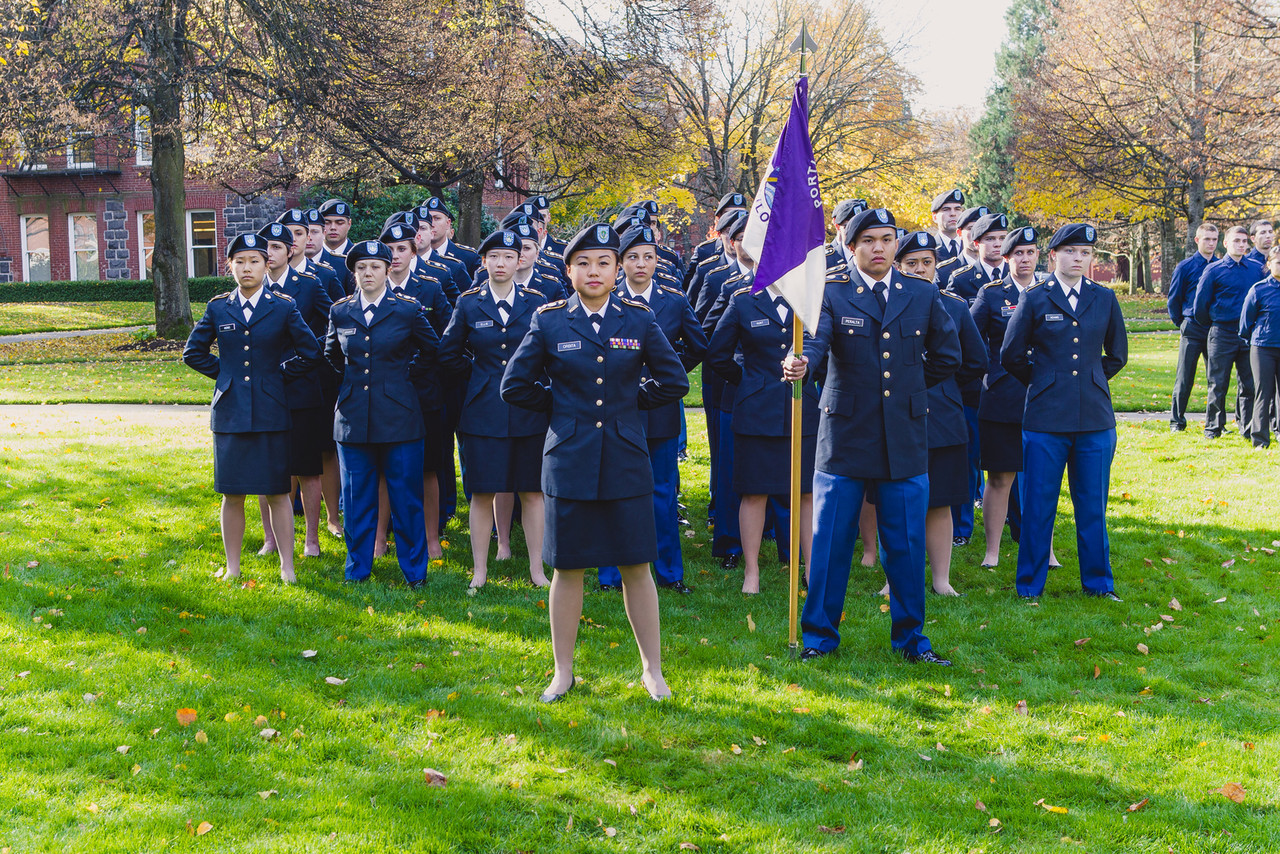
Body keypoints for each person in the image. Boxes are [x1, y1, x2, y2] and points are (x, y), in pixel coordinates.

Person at [501, 223, 689, 703]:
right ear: (568, 271)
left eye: (604, 262)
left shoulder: (639, 319)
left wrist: (630, 403)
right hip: (569, 459)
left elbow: (674, 381)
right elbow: (514, 386)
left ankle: (653, 670)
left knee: (636, 566)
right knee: (568, 568)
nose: (594, 270)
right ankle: (563, 671)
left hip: (627, 458)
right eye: (583, 262)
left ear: (617, 268)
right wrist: (563, 407)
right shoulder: (548, 322)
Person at [784, 207, 961, 665]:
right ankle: (819, 638)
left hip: (903, 436)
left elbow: (947, 355)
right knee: (829, 543)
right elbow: (815, 346)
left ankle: (911, 641)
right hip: (845, 435)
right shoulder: (832, 292)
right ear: (851, 246)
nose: (879, 248)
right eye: (869, 241)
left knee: (905, 545)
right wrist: (801, 364)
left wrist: (907, 389)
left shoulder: (919, 294)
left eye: (887, 239)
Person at [183, 232, 320, 583]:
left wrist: (277, 375)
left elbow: (310, 352)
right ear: (230, 267)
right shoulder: (218, 307)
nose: (247, 268)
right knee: (232, 493)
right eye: (240, 262)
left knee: (276, 491)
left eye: (254, 261)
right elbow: (193, 353)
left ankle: (287, 566)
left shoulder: (283, 306)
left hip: (272, 411)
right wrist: (225, 375)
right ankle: (232, 566)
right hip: (230, 413)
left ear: (266, 264)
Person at [1001, 223, 1128, 600]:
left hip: (1094, 419)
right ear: (1054, 254)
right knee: (1039, 508)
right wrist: (1045, 381)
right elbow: (1011, 355)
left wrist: (1088, 379)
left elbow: (1117, 354)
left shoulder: (1104, 298)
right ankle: (1029, 587)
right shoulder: (1036, 298)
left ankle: (1099, 585)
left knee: (1092, 507)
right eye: (1072, 251)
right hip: (1045, 419)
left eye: (1086, 253)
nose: (1079, 258)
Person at [706, 228, 819, 595]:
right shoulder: (743, 300)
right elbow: (718, 354)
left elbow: (823, 344)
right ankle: (751, 571)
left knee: (804, 493)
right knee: (753, 492)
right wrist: (750, 382)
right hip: (756, 414)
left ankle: (810, 569)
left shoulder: (810, 299)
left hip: (802, 409)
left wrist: (809, 365)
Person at [597, 225, 707, 593]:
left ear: (657, 260)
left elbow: (698, 345)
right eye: (632, 257)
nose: (640, 264)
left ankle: (670, 573)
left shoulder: (673, 300)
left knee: (661, 493)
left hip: (659, 410)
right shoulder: (605, 300)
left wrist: (667, 374)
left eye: (648, 256)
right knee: (612, 490)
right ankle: (610, 574)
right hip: (616, 410)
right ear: (619, 263)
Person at [438, 229, 551, 588]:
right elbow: (448, 354)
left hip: (529, 408)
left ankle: (537, 570)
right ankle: (480, 571)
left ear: (520, 261)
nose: (500, 264)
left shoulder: (536, 301)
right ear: (483, 262)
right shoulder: (468, 303)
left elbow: (547, 353)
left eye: (508, 257)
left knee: (532, 491)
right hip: (482, 411)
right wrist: (480, 377)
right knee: (483, 491)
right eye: (493, 257)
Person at [324, 240, 440, 587]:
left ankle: (415, 573)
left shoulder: (407, 309)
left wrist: (401, 380)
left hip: (400, 418)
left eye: (375, 267)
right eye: (361, 268)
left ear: (388, 270)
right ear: (354, 273)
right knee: (357, 499)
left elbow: (432, 350)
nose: (368, 273)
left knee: (406, 499)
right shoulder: (341, 311)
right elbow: (332, 355)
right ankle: (357, 570)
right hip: (353, 419)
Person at [894, 232, 986, 595]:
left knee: (941, 500)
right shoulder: (885, 302)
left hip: (942, 415)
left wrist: (942, 387)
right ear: (899, 266)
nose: (919, 269)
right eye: (911, 263)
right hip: (896, 415)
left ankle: (941, 579)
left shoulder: (956, 306)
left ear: (937, 265)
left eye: (927, 262)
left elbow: (973, 360)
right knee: (898, 502)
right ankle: (894, 579)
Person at [970, 226, 1062, 570]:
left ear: (1039, 255)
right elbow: (970, 337)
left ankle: (1045, 549)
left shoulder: (1051, 291)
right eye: (1017, 253)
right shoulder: (992, 294)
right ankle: (992, 550)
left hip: (1044, 396)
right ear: (1005, 258)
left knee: (1044, 478)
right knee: (1000, 477)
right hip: (1002, 398)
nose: (1025, 259)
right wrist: (986, 373)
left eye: (1031, 252)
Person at [252, 222, 332, 560]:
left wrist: (310, 355)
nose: (269, 254)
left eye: (276, 247)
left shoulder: (310, 285)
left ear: (291, 250)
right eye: (264, 248)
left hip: (301, 387)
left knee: (307, 468)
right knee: (267, 468)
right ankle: (270, 538)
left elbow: (334, 323)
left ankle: (311, 539)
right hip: (264, 390)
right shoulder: (252, 288)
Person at [379, 221, 452, 560]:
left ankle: (431, 537)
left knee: (428, 467)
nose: (395, 256)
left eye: (402, 249)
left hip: (423, 392)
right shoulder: (370, 287)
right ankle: (380, 538)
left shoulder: (431, 289)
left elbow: (444, 341)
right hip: (381, 394)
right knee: (381, 467)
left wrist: (412, 372)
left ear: (414, 249)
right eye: (390, 250)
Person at [1193, 225, 1262, 441]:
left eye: (1244, 241)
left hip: (1248, 336)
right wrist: (1215, 323)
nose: (1241, 245)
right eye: (1236, 241)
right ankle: (1213, 427)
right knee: (1217, 383)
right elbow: (1200, 307)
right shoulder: (1214, 270)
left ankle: (1248, 427)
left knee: (1248, 384)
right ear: (1226, 243)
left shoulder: (1257, 269)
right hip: (1221, 332)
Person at [1166, 223, 1218, 432]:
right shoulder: (1185, 267)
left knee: (1215, 378)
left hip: (1215, 329)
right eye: (1207, 239)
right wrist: (1182, 322)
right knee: (1184, 377)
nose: (1211, 243)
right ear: (1197, 240)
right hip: (1192, 327)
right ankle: (1176, 421)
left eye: (1214, 239)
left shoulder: (1221, 266)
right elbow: (1174, 299)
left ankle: (1214, 423)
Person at [1240, 246, 1280, 448]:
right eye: (1279, 262)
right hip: (1263, 347)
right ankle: (1260, 439)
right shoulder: (1258, 289)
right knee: (1264, 393)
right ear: (1269, 264)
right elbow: (1246, 323)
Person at [931, 189, 966, 263]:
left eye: (957, 209)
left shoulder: (972, 246)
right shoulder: (930, 248)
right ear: (935, 217)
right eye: (946, 209)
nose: (953, 214)